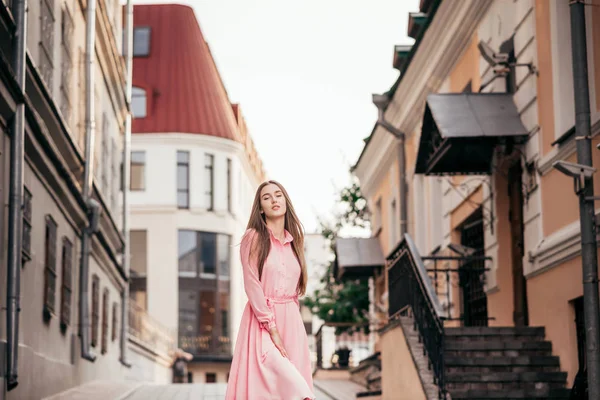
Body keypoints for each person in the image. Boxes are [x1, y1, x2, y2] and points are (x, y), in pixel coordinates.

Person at [225, 181, 314, 400]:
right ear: (260, 208)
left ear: (286, 202)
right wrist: (271, 326)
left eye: (278, 195)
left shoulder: (295, 242)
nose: (274, 200)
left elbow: (296, 287)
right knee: (281, 388)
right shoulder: (253, 238)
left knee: (292, 388)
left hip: (292, 321)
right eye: (267, 197)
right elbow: (252, 283)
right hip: (262, 322)